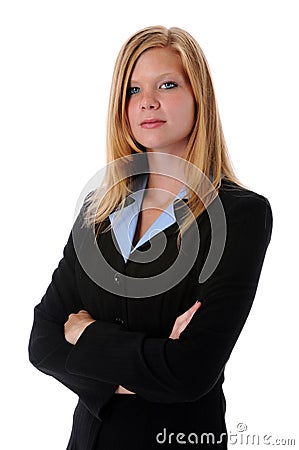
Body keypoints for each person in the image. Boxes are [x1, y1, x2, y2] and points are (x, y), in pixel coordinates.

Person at [28, 25, 273, 449]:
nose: (148, 102)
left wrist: (85, 335)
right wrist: (152, 359)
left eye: (168, 84)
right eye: (133, 89)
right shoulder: (98, 211)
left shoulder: (240, 215)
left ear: (200, 96)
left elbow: (190, 372)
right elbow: (43, 341)